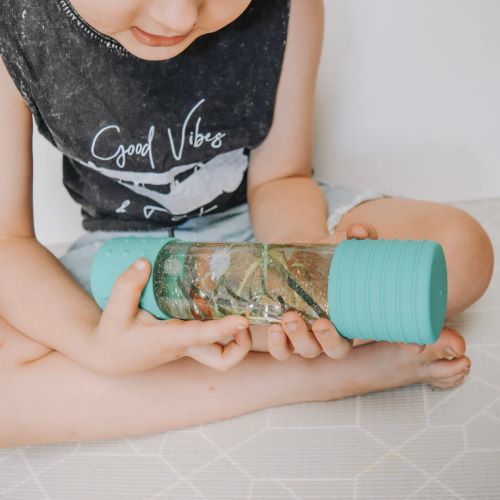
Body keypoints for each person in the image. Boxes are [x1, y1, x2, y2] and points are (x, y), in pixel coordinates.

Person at [0, 0, 493, 448]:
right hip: (126, 263)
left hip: (259, 227)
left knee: (460, 252)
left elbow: (280, 177)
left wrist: (301, 263)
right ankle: (315, 376)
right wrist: (95, 341)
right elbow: (8, 241)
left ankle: (245, 347)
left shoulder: (290, 7)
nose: (177, 18)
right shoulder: (12, 24)